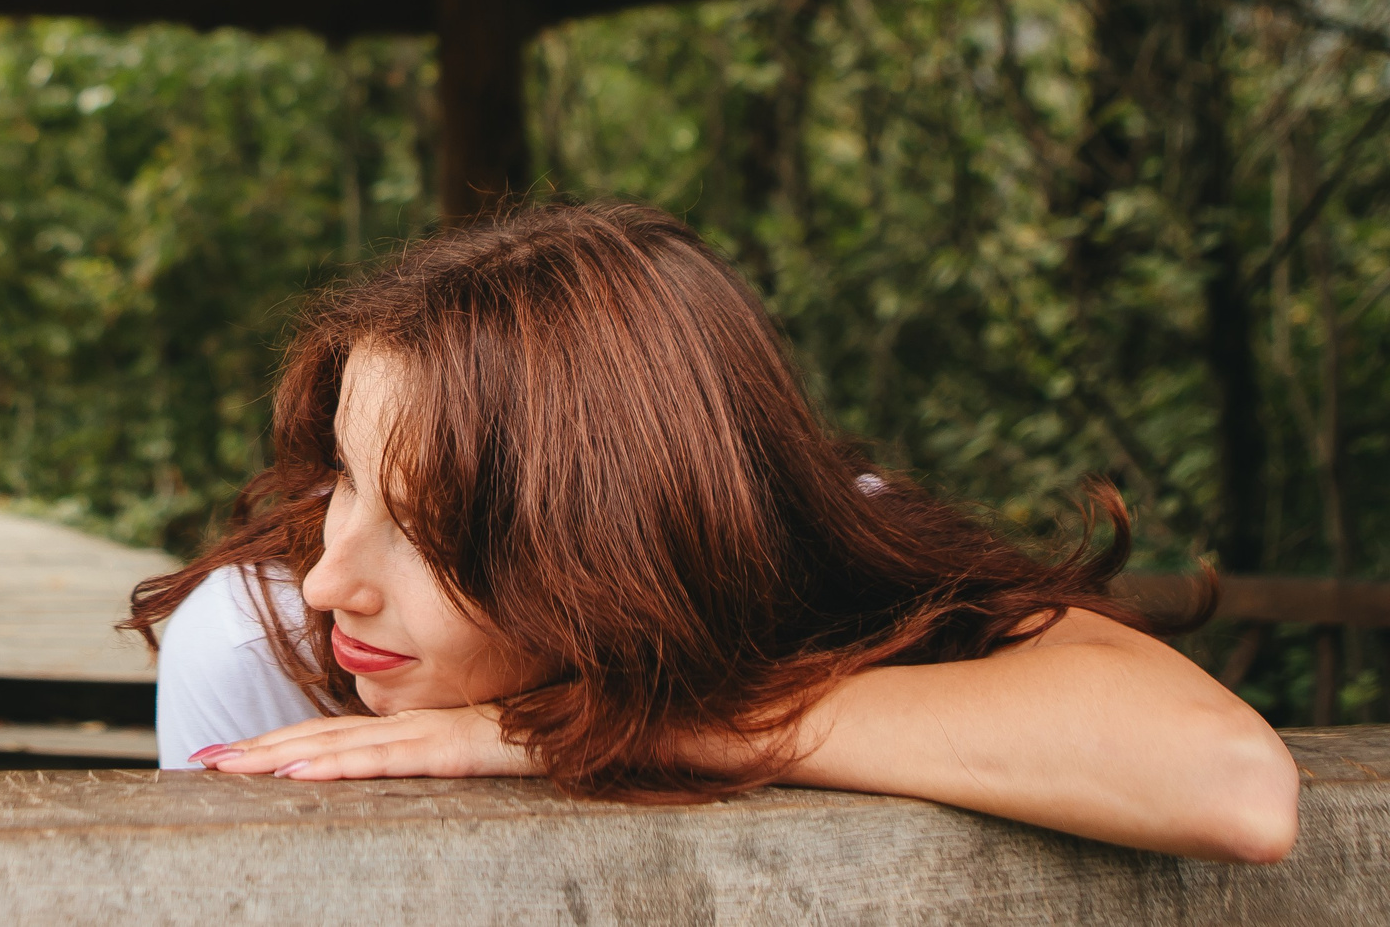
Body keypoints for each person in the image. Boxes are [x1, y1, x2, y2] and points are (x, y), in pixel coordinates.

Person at [132, 202, 1299, 863]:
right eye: (343, 479)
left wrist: (605, 729)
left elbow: (1232, 785)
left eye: (434, 531)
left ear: (620, 537)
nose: (333, 581)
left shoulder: (820, 567)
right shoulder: (258, 642)